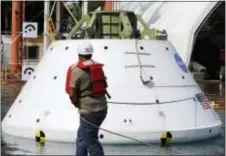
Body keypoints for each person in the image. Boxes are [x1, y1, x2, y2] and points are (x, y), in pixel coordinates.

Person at [67, 41, 110, 156]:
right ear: (91, 54)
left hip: (89, 112)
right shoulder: (97, 67)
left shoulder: (77, 70)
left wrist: (75, 103)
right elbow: (104, 85)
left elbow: (72, 93)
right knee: (82, 138)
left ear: (79, 54)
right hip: (102, 109)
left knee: (91, 142)